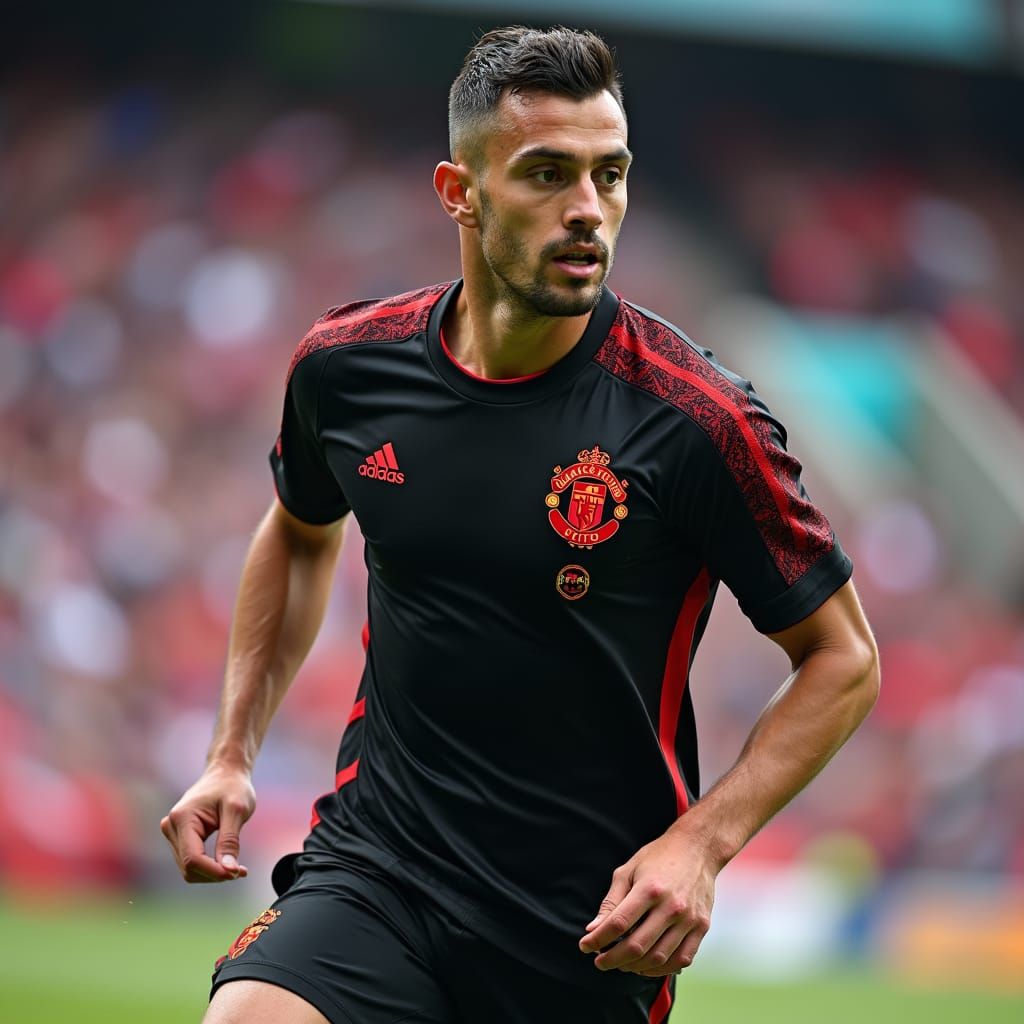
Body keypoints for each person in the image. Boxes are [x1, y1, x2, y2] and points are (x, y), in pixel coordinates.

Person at [161, 24, 879, 1024]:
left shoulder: (696, 421)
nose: (588, 210)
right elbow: (297, 528)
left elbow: (843, 656)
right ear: (461, 192)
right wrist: (232, 751)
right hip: (380, 869)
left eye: (609, 174)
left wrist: (700, 844)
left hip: (583, 926)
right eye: (548, 174)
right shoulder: (345, 367)